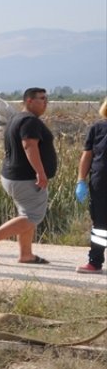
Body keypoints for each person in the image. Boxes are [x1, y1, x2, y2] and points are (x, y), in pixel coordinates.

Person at [0, 87, 58, 265]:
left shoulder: (16, 118)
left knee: (26, 215)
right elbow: (29, 145)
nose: (45, 102)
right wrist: (40, 172)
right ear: (29, 101)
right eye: (41, 98)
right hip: (26, 178)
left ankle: (26, 254)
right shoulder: (30, 121)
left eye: (46, 99)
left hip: (14, 176)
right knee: (32, 217)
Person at [74, 98, 107, 274]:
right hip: (100, 185)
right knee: (101, 225)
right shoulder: (98, 129)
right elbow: (87, 156)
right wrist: (81, 180)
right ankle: (95, 262)